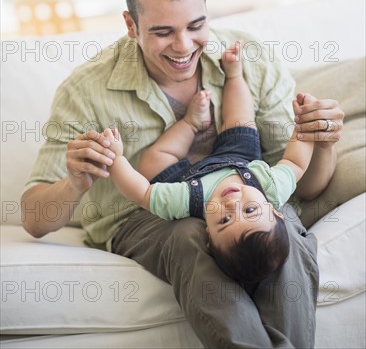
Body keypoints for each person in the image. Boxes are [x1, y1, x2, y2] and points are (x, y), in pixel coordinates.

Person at [21, 0, 344, 349]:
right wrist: (74, 181)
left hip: (245, 194)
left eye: (196, 25)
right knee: (191, 233)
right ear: (131, 25)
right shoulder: (85, 91)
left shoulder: (247, 59)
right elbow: (35, 219)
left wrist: (322, 139)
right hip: (143, 214)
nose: (184, 45)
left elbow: (304, 184)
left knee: (280, 234)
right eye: (163, 32)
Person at [104, 40, 332, 287]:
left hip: (187, 177)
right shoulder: (271, 189)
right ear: (275, 210)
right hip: (240, 157)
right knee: (241, 120)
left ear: (208, 236)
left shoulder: (184, 202)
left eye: (224, 220)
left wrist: (116, 159)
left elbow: (142, 192)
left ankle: (191, 123)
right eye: (250, 210)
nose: (232, 204)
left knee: (153, 162)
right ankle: (234, 76)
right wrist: (302, 126)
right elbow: (295, 162)